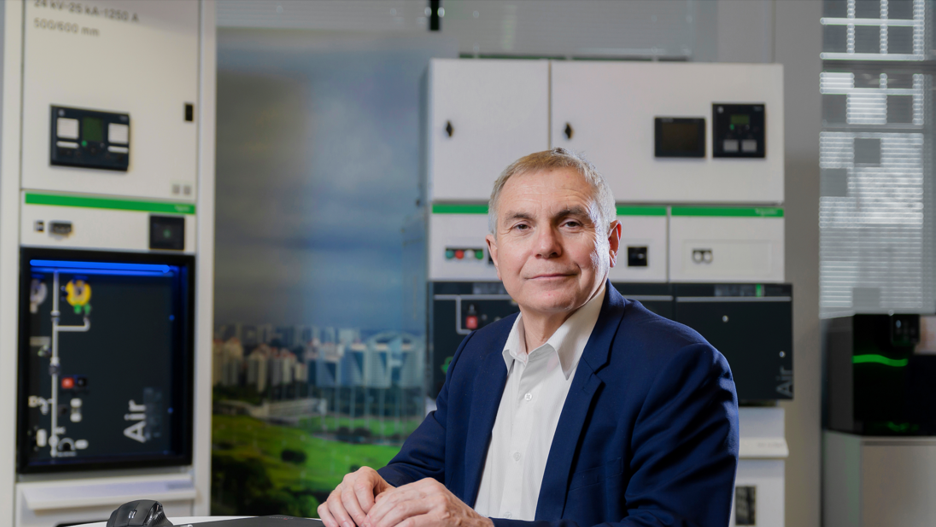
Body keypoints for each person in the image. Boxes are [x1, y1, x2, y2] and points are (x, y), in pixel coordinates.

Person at [318, 148, 739, 527]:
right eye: (521, 226)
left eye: (571, 223)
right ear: (495, 252)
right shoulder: (477, 354)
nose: (546, 246)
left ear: (611, 243)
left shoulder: (681, 367)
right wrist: (372, 488)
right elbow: (421, 468)